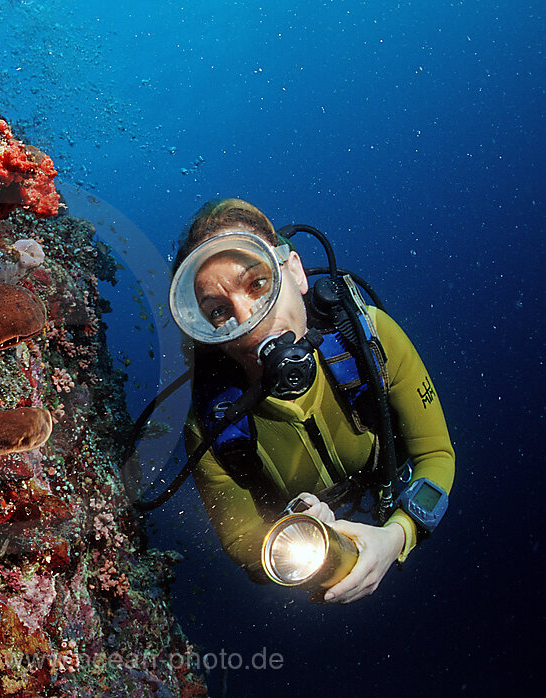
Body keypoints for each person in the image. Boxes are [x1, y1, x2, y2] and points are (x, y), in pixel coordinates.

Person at [170, 198, 455, 603]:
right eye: (218, 311)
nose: (249, 318)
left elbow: (437, 453)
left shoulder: (373, 343)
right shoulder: (212, 428)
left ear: (297, 273)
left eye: (258, 284)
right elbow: (239, 539)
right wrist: (296, 532)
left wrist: (398, 535)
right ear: (207, 332)